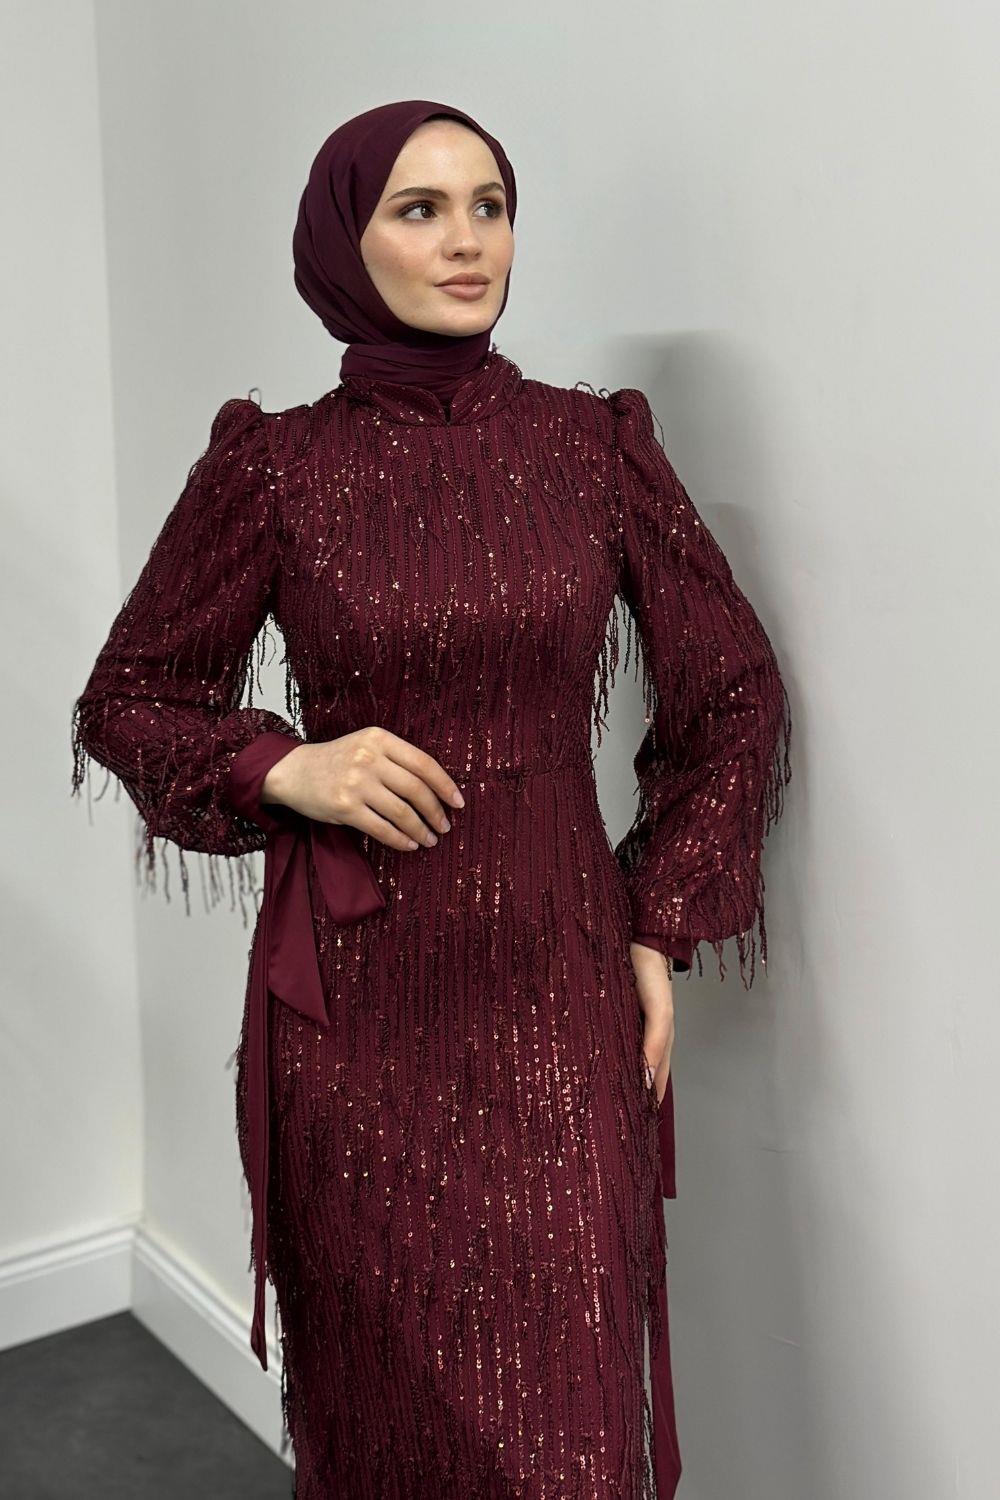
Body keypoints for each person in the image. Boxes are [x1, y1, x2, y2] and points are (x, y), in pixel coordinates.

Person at [71, 99, 792, 1500]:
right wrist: (288, 764)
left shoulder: (592, 447)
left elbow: (732, 690)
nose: (468, 241)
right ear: (345, 240)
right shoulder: (274, 465)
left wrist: (657, 924)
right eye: (420, 209)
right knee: (388, 1421)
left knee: (569, 1427)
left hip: (555, 993)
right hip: (359, 1019)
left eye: (489, 205)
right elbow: (130, 696)